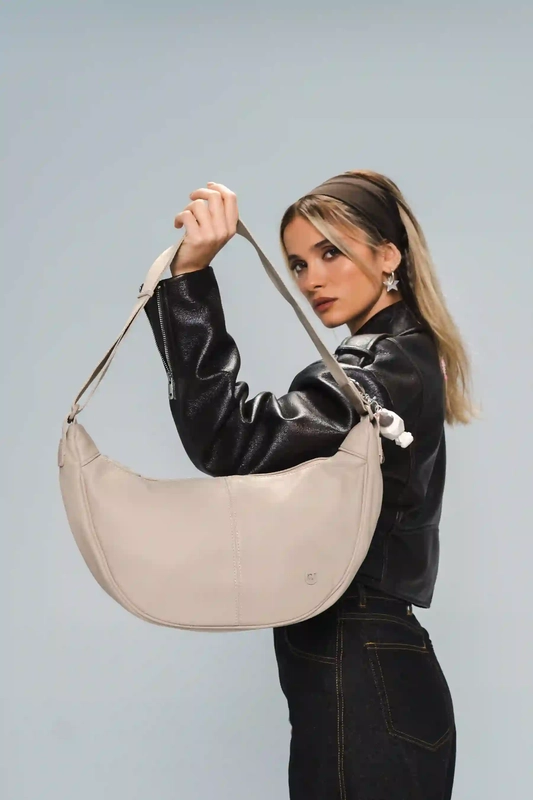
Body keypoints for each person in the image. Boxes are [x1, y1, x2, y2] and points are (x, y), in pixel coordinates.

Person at [142, 170, 477, 799]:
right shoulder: (402, 353)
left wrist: (189, 278)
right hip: (376, 670)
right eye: (298, 264)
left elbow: (232, 441)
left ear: (387, 257)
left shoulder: (380, 363)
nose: (311, 279)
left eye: (330, 253)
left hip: (362, 669)